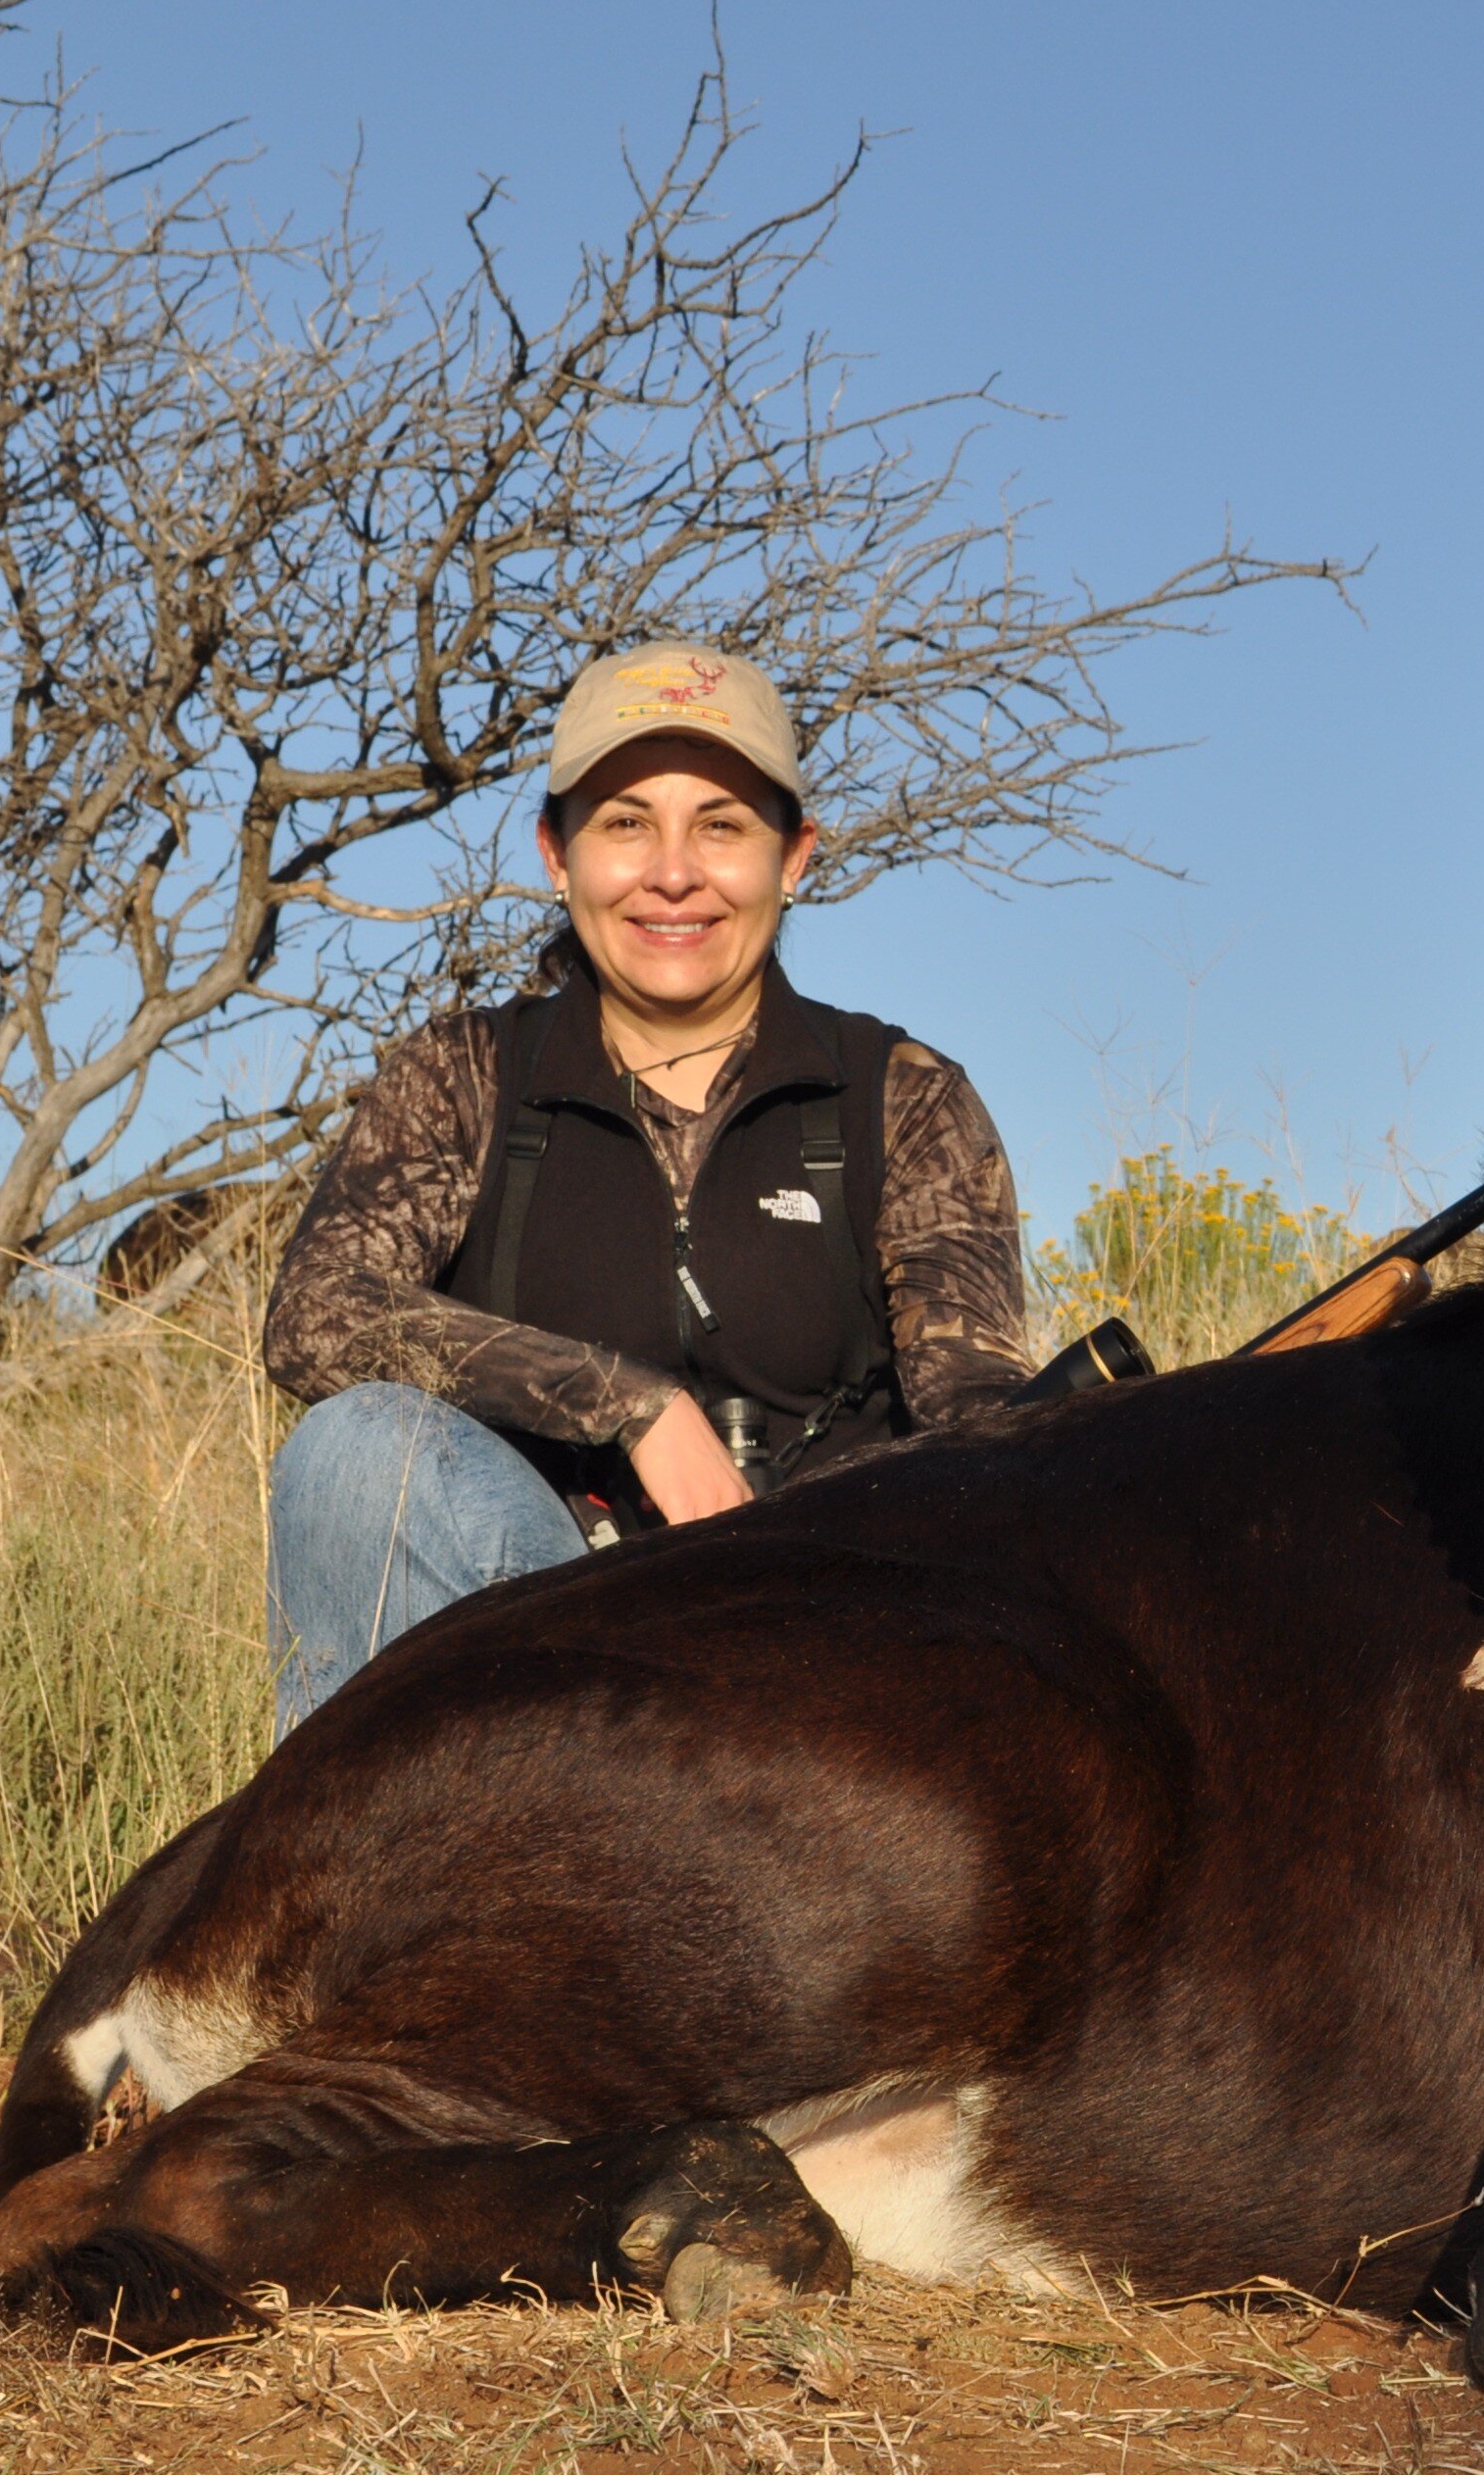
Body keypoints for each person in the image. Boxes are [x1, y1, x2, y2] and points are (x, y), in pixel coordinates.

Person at [257, 640, 1029, 1736]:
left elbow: (980, 1421)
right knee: (353, 1454)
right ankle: (349, 1893)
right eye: (625, 822)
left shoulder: (901, 1097)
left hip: (824, 1649)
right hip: (540, 1628)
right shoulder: (463, 1075)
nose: (674, 872)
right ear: (556, 853)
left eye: (722, 824)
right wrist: (631, 1406)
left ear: (795, 856)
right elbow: (317, 1313)